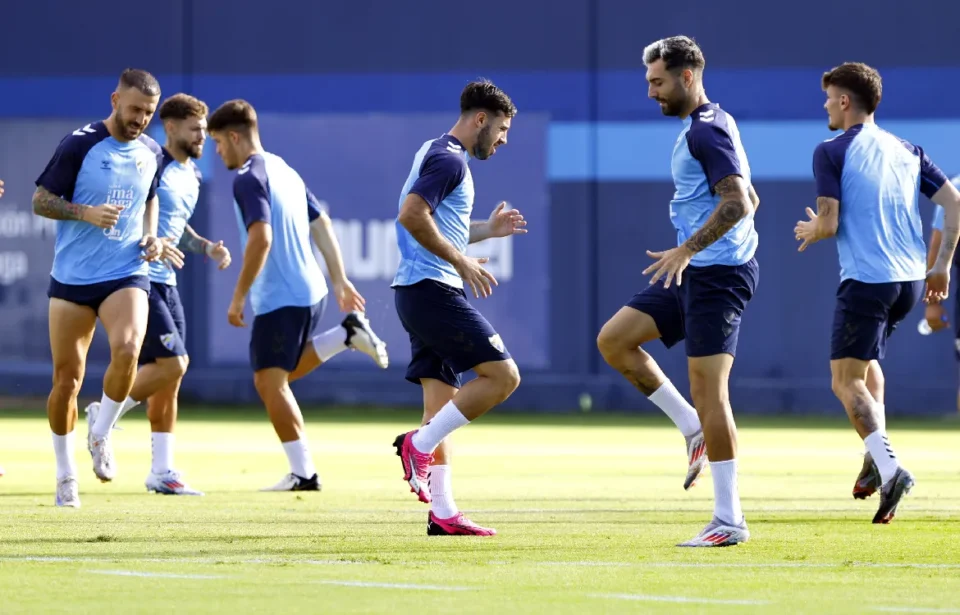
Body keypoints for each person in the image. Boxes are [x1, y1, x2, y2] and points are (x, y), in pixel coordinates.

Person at [596, 36, 760, 548]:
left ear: (687, 77)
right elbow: (750, 195)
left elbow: (737, 204)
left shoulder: (708, 130)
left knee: (712, 391)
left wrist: (687, 248)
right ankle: (691, 428)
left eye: (657, 81)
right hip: (697, 271)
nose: (651, 92)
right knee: (615, 340)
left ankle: (729, 520)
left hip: (716, 276)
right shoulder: (706, 126)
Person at [794, 62, 960, 523]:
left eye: (829, 97)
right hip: (908, 281)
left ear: (845, 102)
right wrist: (940, 266)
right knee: (869, 374)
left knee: (843, 381)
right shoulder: (908, 149)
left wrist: (812, 227)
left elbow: (827, 223)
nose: (825, 105)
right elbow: (954, 203)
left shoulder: (831, 150)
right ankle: (874, 461)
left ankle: (891, 468)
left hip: (868, 279)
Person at [207, 99, 388, 492]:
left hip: (281, 294)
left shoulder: (246, 177)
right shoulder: (283, 169)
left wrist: (238, 297)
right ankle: (346, 335)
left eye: (219, 142)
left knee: (270, 383)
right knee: (278, 376)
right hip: (311, 289)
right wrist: (339, 279)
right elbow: (320, 221)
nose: (217, 151)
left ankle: (304, 474)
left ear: (235, 137)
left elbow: (261, 238)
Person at [32, 68, 182, 507]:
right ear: (114, 99)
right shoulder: (80, 144)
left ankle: (100, 433)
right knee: (67, 381)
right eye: (135, 109)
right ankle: (65, 474)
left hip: (126, 270)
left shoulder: (152, 150)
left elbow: (151, 195)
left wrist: (152, 235)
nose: (140, 119)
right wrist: (85, 213)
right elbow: (41, 200)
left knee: (130, 347)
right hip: (74, 277)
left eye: (149, 113)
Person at [390, 80, 525, 536]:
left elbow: (436, 223)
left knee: (441, 403)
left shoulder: (440, 152)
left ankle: (443, 512)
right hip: (432, 291)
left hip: (419, 289)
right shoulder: (448, 158)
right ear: (480, 119)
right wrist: (460, 260)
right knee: (504, 376)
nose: (504, 139)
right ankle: (418, 445)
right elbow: (411, 215)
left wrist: (486, 229)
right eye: (502, 128)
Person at [83, 93, 230, 496]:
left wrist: (206, 247)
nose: (202, 135)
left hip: (169, 281)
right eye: (195, 128)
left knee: (169, 381)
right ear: (172, 128)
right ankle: (103, 418)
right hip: (139, 278)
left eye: (204, 129)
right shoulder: (153, 164)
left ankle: (161, 471)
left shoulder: (194, 174)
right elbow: (132, 215)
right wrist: (151, 243)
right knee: (175, 363)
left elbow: (178, 227)